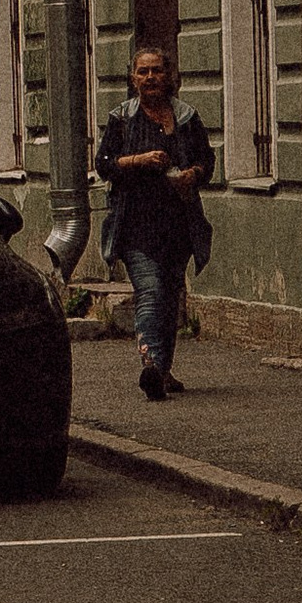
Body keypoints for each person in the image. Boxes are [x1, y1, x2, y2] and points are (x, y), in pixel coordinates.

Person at [96, 43, 215, 398]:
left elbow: (207, 163)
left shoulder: (186, 117)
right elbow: (105, 164)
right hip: (135, 225)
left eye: (157, 71)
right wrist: (139, 160)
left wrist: (191, 175)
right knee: (150, 291)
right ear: (133, 79)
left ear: (170, 76)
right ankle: (150, 363)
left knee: (170, 295)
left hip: (178, 225)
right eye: (143, 71)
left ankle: (163, 370)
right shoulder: (121, 118)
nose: (150, 78)